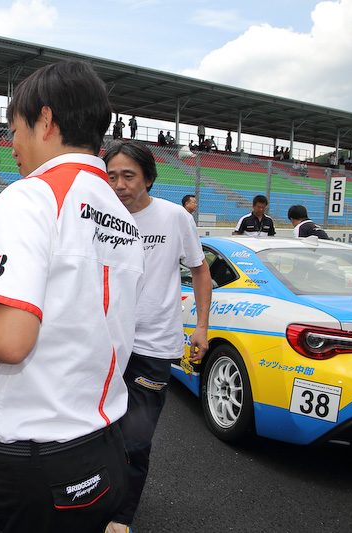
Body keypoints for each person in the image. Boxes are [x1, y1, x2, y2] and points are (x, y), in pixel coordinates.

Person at [0, 60, 145, 533]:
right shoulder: (119, 209)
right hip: (103, 446)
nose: (13, 145)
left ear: (45, 121)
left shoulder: (32, 195)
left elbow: (10, 339)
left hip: (40, 458)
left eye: (14, 127)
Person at [104, 140, 212, 533]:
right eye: (111, 175)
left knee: (135, 439)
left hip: (152, 348)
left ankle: (120, 518)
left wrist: (200, 327)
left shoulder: (173, 217)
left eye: (128, 175)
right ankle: (95, 503)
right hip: (103, 345)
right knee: (98, 431)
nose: (118, 184)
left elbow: (200, 271)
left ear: (148, 177)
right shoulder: (99, 216)